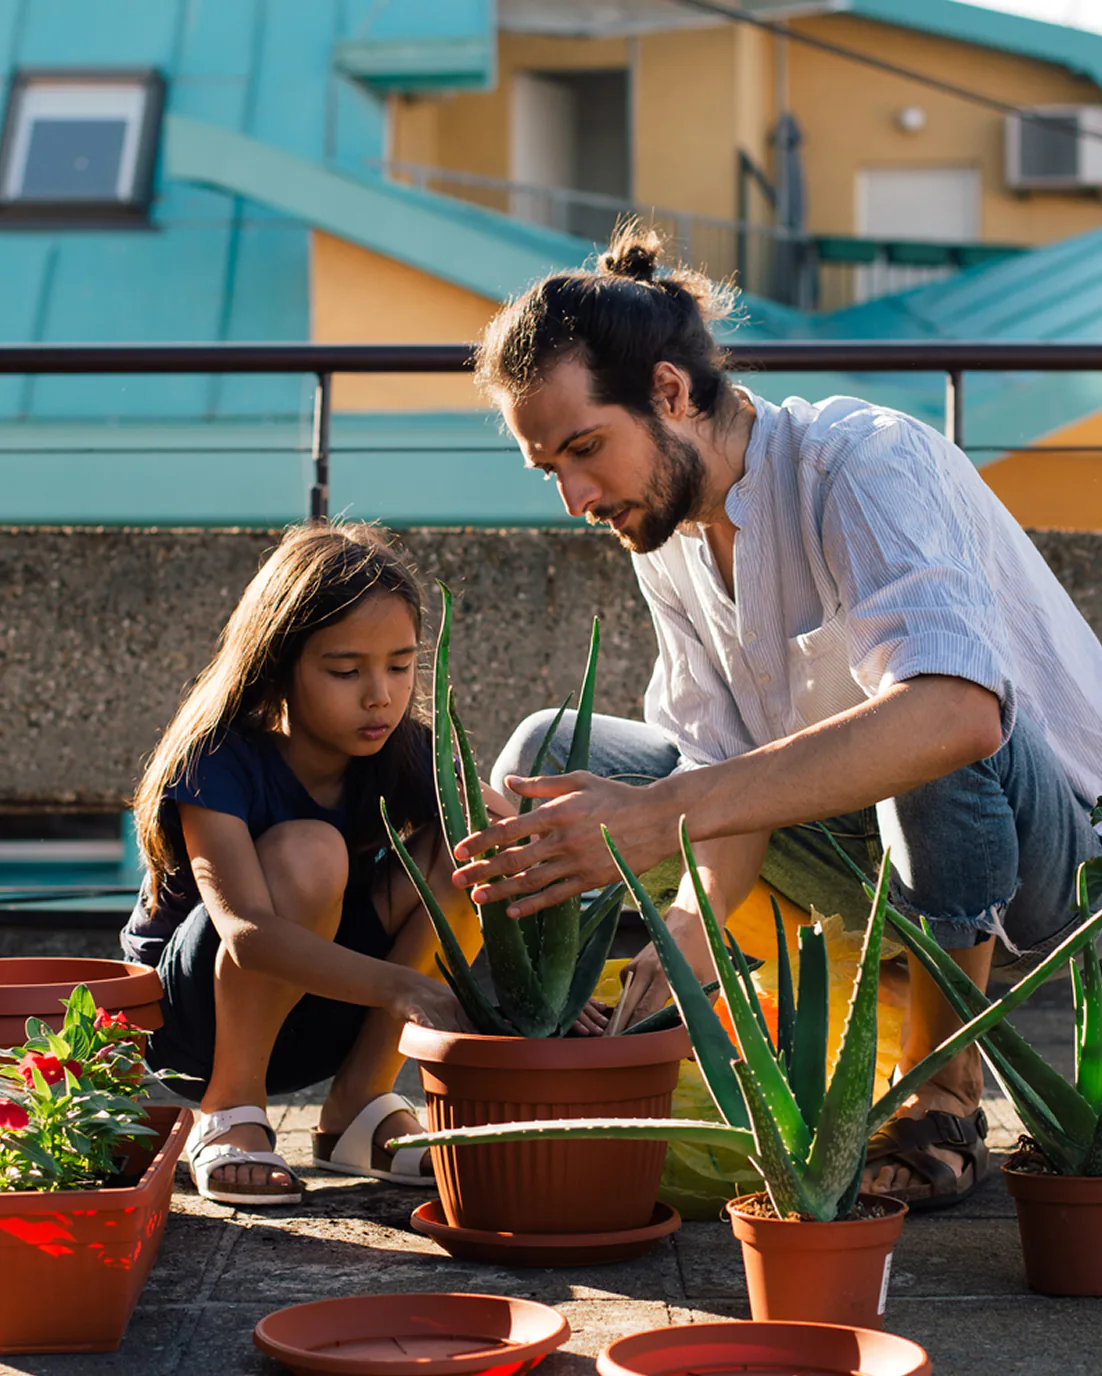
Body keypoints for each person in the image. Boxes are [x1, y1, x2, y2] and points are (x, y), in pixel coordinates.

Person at [451, 224, 1102, 1211]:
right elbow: (724, 785)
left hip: (1052, 873)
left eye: (585, 448)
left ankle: (946, 1091)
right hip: (859, 863)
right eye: (553, 469)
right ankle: (580, 1040)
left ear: (668, 393)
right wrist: (676, 946)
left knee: (931, 705)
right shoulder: (662, 533)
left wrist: (654, 813)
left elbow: (959, 718)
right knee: (552, 749)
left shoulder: (860, 463)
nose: (577, 495)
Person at [123, 523, 497, 1207]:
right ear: (278, 665)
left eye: (400, 663)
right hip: (192, 1023)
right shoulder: (215, 757)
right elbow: (246, 933)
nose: (380, 694)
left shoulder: (402, 749)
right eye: (346, 671)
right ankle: (231, 1110)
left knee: (470, 840)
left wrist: (556, 994)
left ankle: (357, 1104)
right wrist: (403, 987)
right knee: (312, 852)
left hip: (321, 1007)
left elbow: (509, 843)